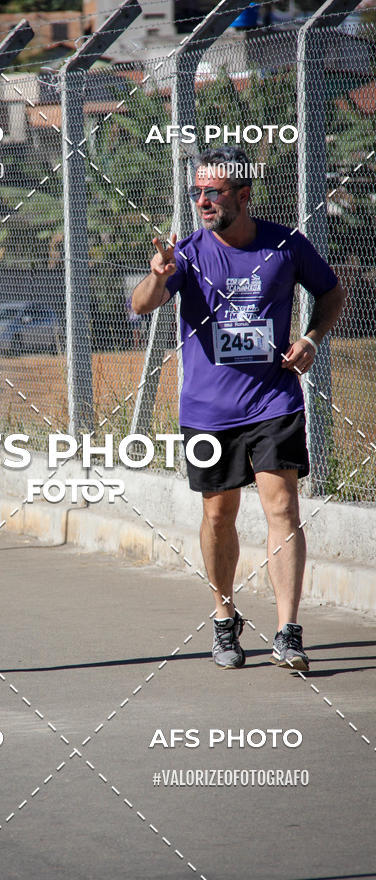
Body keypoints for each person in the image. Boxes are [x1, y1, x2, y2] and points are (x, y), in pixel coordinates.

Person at [132, 146, 345, 672]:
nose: (202, 201)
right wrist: (158, 274)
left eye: (214, 192)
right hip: (208, 410)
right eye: (196, 192)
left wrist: (311, 338)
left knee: (283, 507)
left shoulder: (285, 244)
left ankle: (288, 631)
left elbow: (331, 293)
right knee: (218, 514)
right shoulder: (187, 253)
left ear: (243, 194)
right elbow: (141, 304)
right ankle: (224, 616)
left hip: (274, 399)